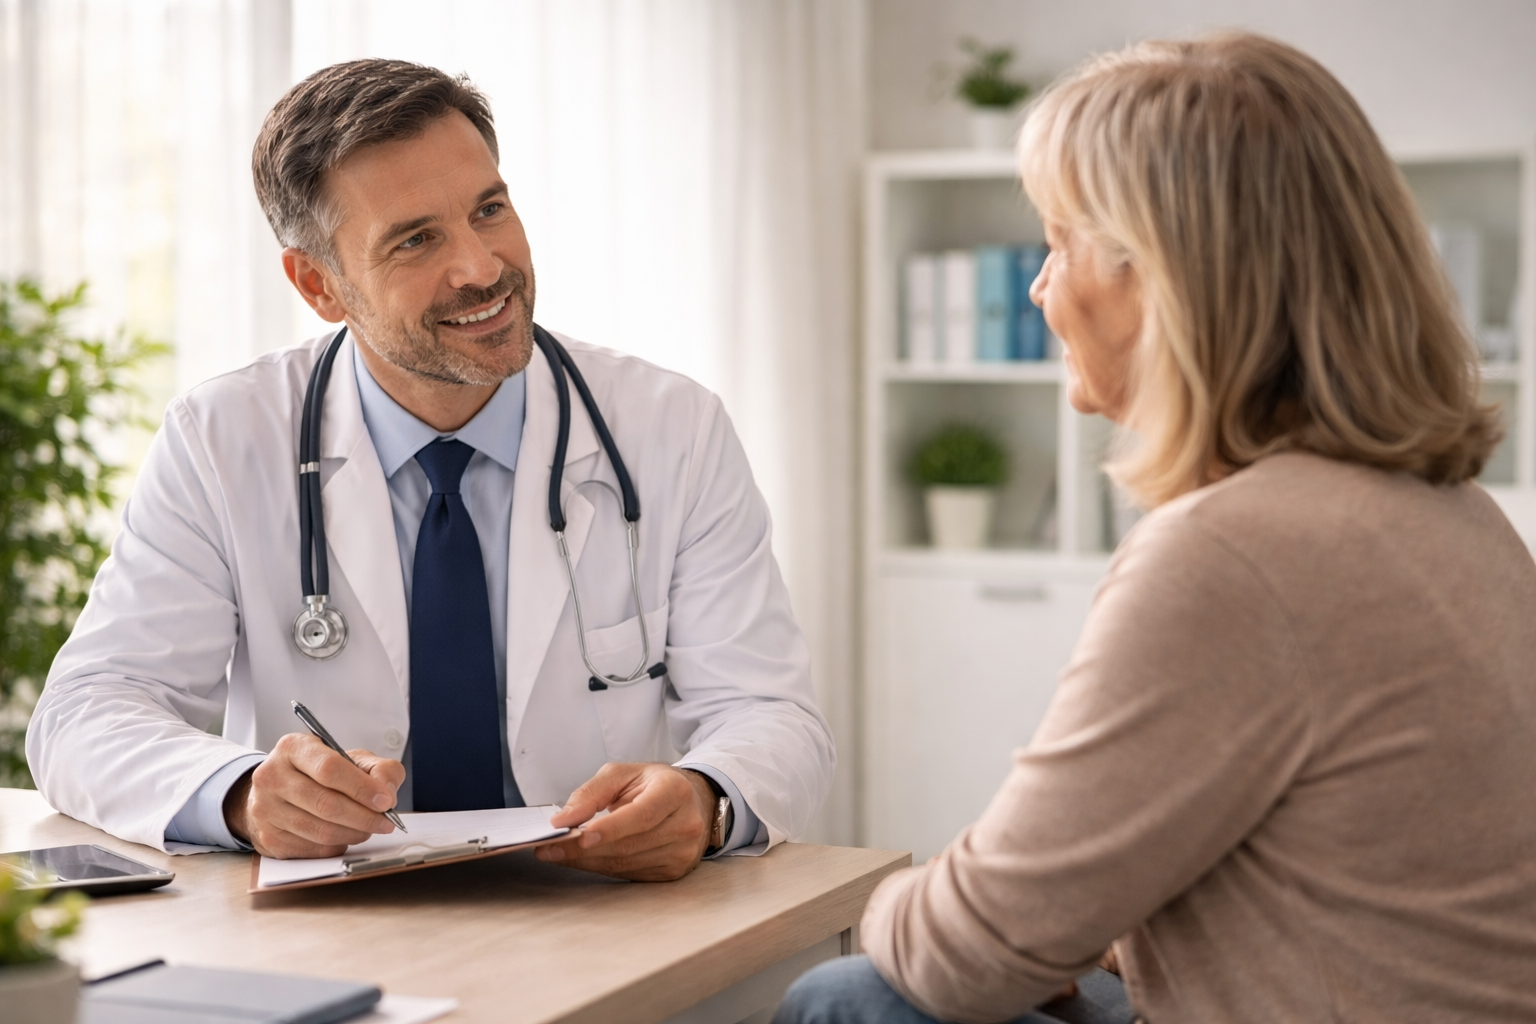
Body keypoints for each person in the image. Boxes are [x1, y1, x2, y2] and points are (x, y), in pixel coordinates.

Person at [777, 31, 1536, 1024]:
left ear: (1161, 277)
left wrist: (889, 904)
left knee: (850, 998)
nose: (1042, 290)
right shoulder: (1453, 509)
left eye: (1058, 243)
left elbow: (963, 952)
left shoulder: (1235, 552)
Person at [27, 59, 834, 883]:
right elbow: (86, 714)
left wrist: (708, 797)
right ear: (318, 284)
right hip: (331, 929)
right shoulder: (221, 439)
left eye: (490, 210)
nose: (482, 268)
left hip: (594, 905)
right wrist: (238, 794)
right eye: (416, 240)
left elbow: (770, 715)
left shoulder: (672, 429)